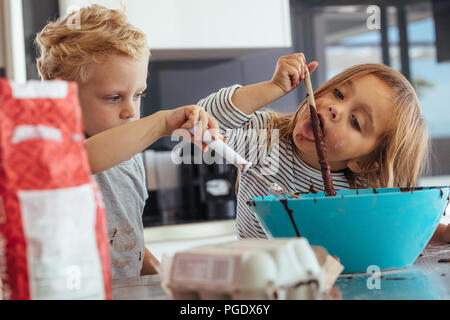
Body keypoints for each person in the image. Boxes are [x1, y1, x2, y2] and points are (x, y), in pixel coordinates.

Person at [35, 4, 221, 279]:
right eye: (114, 97)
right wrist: (161, 123)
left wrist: (162, 277)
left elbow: (127, 243)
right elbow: (82, 160)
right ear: (63, 94)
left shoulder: (131, 157)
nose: (131, 111)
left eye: (138, 95)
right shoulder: (50, 147)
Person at [197, 53, 450, 243]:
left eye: (355, 122)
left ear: (362, 162)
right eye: (339, 94)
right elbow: (202, 121)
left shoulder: (360, 194)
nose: (336, 109)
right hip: (256, 283)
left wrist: (444, 234)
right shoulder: (266, 139)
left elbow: (396, 229)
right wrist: (272, 88)